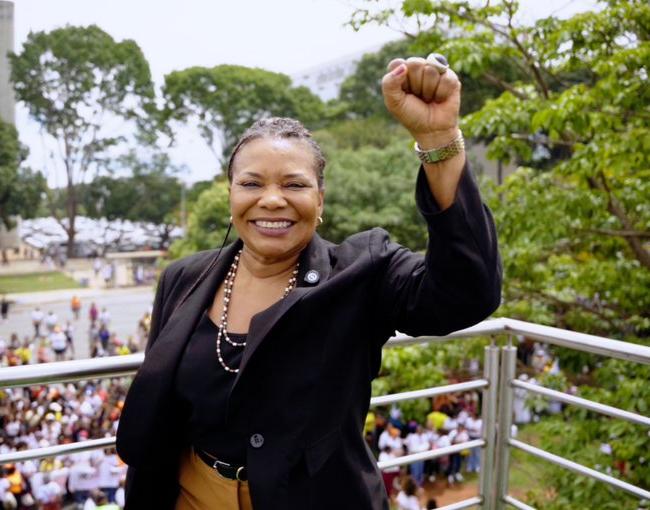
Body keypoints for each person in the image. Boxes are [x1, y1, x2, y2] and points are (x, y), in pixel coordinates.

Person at [116, 54, 501, 509]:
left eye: (295, 186)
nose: (272, 200)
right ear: (231, 195)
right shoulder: (183, 277)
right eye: (252, 184)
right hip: (189, 492)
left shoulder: (362, 272)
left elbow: (466, 294)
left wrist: (438, 141)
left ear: (320, 200)